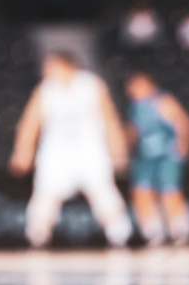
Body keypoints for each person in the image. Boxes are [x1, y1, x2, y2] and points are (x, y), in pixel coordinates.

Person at [10, 50, 133, 248]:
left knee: (102, 190)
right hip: (56, 151)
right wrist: (23, 151)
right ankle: (37, 237)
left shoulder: (92, 85)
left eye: (51, 66)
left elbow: (109, 119)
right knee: (45, 193)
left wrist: (118, 150)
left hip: (90, 149)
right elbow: (30, 123)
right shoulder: (45, 90)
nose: (46, 70)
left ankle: (118, 234)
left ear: (66, 65)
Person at [125, 72, 189, 248]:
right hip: (145, 156)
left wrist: (183, 147)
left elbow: (185, 124)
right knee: (141, 192)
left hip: (166, 155)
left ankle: (181, 233)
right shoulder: (135, 107)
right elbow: (133, 132)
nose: (134, 90)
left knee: (170, 192)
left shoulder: (163, 101)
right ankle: (154, 233)